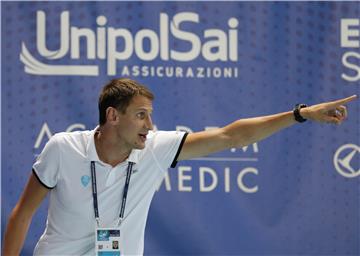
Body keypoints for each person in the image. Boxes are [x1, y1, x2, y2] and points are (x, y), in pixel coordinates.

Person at [2, 78, 357, 255]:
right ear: (112, 116)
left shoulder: (155, 148)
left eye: (150, 116)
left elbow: (232, 136)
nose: (150, 126)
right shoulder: (63, 148)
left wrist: (300, 114)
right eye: (141, 116)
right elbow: (22, 214)